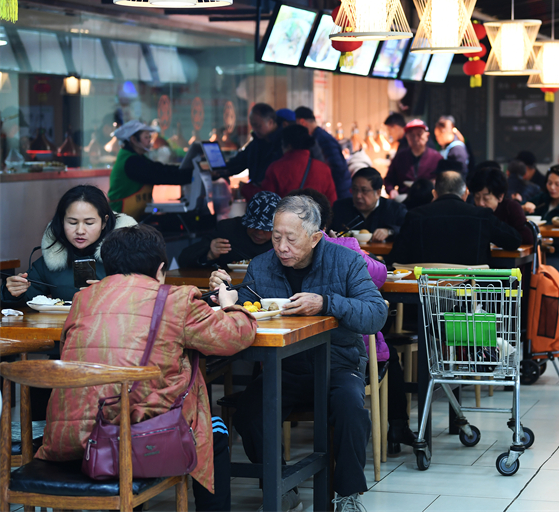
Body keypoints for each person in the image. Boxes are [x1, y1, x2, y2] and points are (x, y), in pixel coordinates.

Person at [35, 224, 258, 511]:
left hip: (72, 438)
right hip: (139, 440)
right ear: (161, 269)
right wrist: (229, 305)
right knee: (214, 431)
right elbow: (234, 337)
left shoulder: (82, 299)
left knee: (127, 404)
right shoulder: (176, 299)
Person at [210, 196, 388, 512]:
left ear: (315, 236)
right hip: (285, 366)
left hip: (338, 362)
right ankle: (281, 485)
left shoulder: (344, 261)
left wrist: (326, 303)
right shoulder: (262, 264)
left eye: (290, 238)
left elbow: (375, 314)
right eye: (276, 236)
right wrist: (223, 294)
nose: (281, 246)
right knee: (250, 411)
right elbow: (247, 306)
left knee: (351, 410)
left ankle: (347, 495)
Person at [294, 187, 417, 452]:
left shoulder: (277, 257)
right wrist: (348, 245)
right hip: (348, 355)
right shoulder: (345, 248)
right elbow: (380, 274)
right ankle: (397, 426)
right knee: (387, 353)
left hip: (296, 356)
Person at [3, 185, 137, 303]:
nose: (80, 231)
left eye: (89, 223)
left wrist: (113, 294)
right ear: (62, 221)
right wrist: (13, 292)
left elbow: (146, 297)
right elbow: (25, 299)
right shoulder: (52, 259)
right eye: (72, 223)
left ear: (104, 222)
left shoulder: (127, 257)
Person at [387, 171, 522, 267]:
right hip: (471, 296)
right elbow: (514, 240)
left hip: (425, 297)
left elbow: (397, 258)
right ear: (465, 194)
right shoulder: (481, 216)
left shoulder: (415, 216)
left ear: (434, 194)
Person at [107, 120, 193, 220]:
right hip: (121, 220)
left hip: (133, 218)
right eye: (146, 137)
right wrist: (191, 175)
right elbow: (160, 175)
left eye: (149, 137)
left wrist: (188, 170)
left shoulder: (137, 157)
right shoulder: (130, 161)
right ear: (134, 140)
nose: (149, 141)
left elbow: (160, 168)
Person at [177, 191, 280, 268]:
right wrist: (209, 254)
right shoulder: (228, 229)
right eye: (253, 226)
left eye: (266, 229)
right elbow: (183, 259)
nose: (259, 232)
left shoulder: (283, 239)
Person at [260, 124, 337, 205]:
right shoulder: (323, 169)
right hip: (316, 217)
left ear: (288, 145)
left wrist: (247, 188)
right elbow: (331, 201)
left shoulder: (275, 168)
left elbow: (267, 201)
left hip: (285, 216)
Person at [223, 103, 282, 201]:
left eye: (258, 126)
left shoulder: (283, 143)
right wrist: (221, 170)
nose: (254, 130)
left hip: (276, 199)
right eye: (252, 126)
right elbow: (240, 161)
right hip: (257, 197)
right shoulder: (256, 142)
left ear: (270, 122)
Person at [331, 167, 407, 241]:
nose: (358, 195)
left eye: (364, 190)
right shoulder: (340, 208)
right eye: (355, 189)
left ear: (378, 193)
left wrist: (390, 231)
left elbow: (408, 228)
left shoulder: (395, 209)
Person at [295, 106, 352, 200]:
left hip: (339, 192)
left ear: (302, 122)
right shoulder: (320, 136)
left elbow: (337, 167)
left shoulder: (322, 139)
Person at [468, 166, 534, 245]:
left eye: (486, 199)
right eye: (477, 197)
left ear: (500, 197)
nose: (480, 203)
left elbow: (527, 238)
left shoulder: (511, 208)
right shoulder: (472, 209)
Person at [384, 120, 442, 199]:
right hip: (405, 201)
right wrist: (391, 190)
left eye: (419, 134)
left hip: (429, 201)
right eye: (411, 135)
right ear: (407, 137)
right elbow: (389, 179)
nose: (415, 138)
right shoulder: (400, 157)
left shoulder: (437, 157)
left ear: (427, 136)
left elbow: (443, 181)